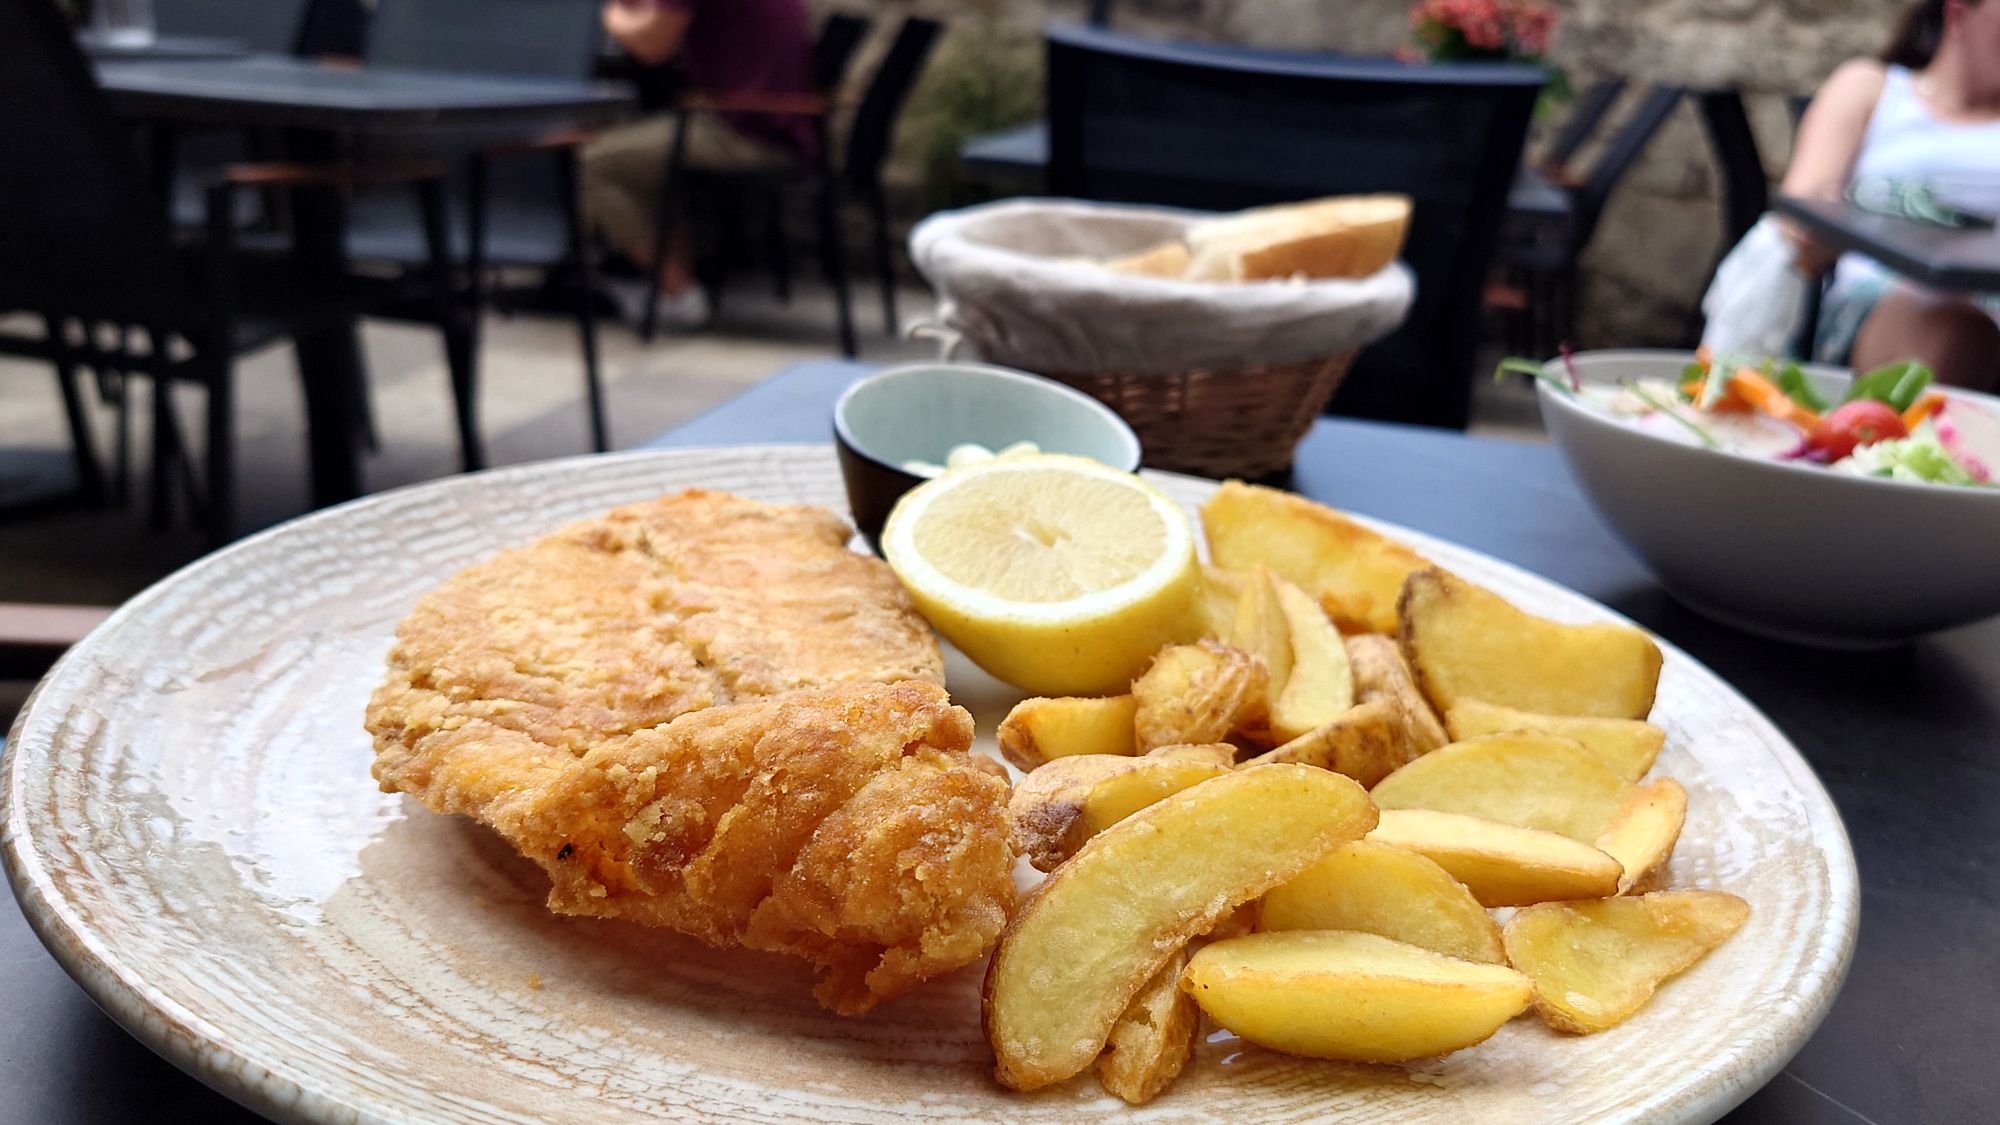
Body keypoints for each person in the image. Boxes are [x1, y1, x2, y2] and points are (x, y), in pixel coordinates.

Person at [1781, 0, 2000, 389]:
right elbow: (1802, 213)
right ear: (1959, 14)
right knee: (1952, 327)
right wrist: (1820, 233)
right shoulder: (1873, 88)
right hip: (1880, 297)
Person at [583, 0, 820, 327]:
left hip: (746, 129)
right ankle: (669, 283)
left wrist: (605, 12)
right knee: (640, 156)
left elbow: (652, 46)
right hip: (774, 122)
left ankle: (679, 295)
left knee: (595, 162)